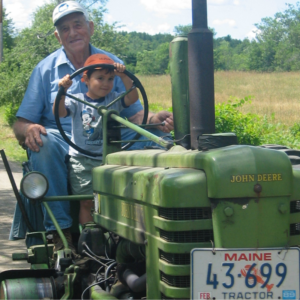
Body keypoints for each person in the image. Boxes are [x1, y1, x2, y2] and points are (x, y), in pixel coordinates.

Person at [11, 1, 173, 253]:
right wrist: (29, 128)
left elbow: (134, 113)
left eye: (78, 24)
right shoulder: (45, 70)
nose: (73, 32)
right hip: (62, 137)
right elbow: (20, 123)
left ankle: (160, 224)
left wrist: (155, 121)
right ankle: (61, 233)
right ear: (58, 36)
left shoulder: (112, 64)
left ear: (91, 27)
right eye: (65, 28)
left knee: (154, 138)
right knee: (45, 142)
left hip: (106, 134)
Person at [53, 53, 139, 225]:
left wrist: (123, 76)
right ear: (85, 79)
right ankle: (90, 240)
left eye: (110, 79)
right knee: (87, 202)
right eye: (100, 78)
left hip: (108, 159)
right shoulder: (77, 100)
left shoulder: (114, 98)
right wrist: (63, 91)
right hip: (82, 160)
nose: (106, 83)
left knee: (113, 200)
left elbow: (133, 97)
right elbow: (60, 111)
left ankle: (113, 238)